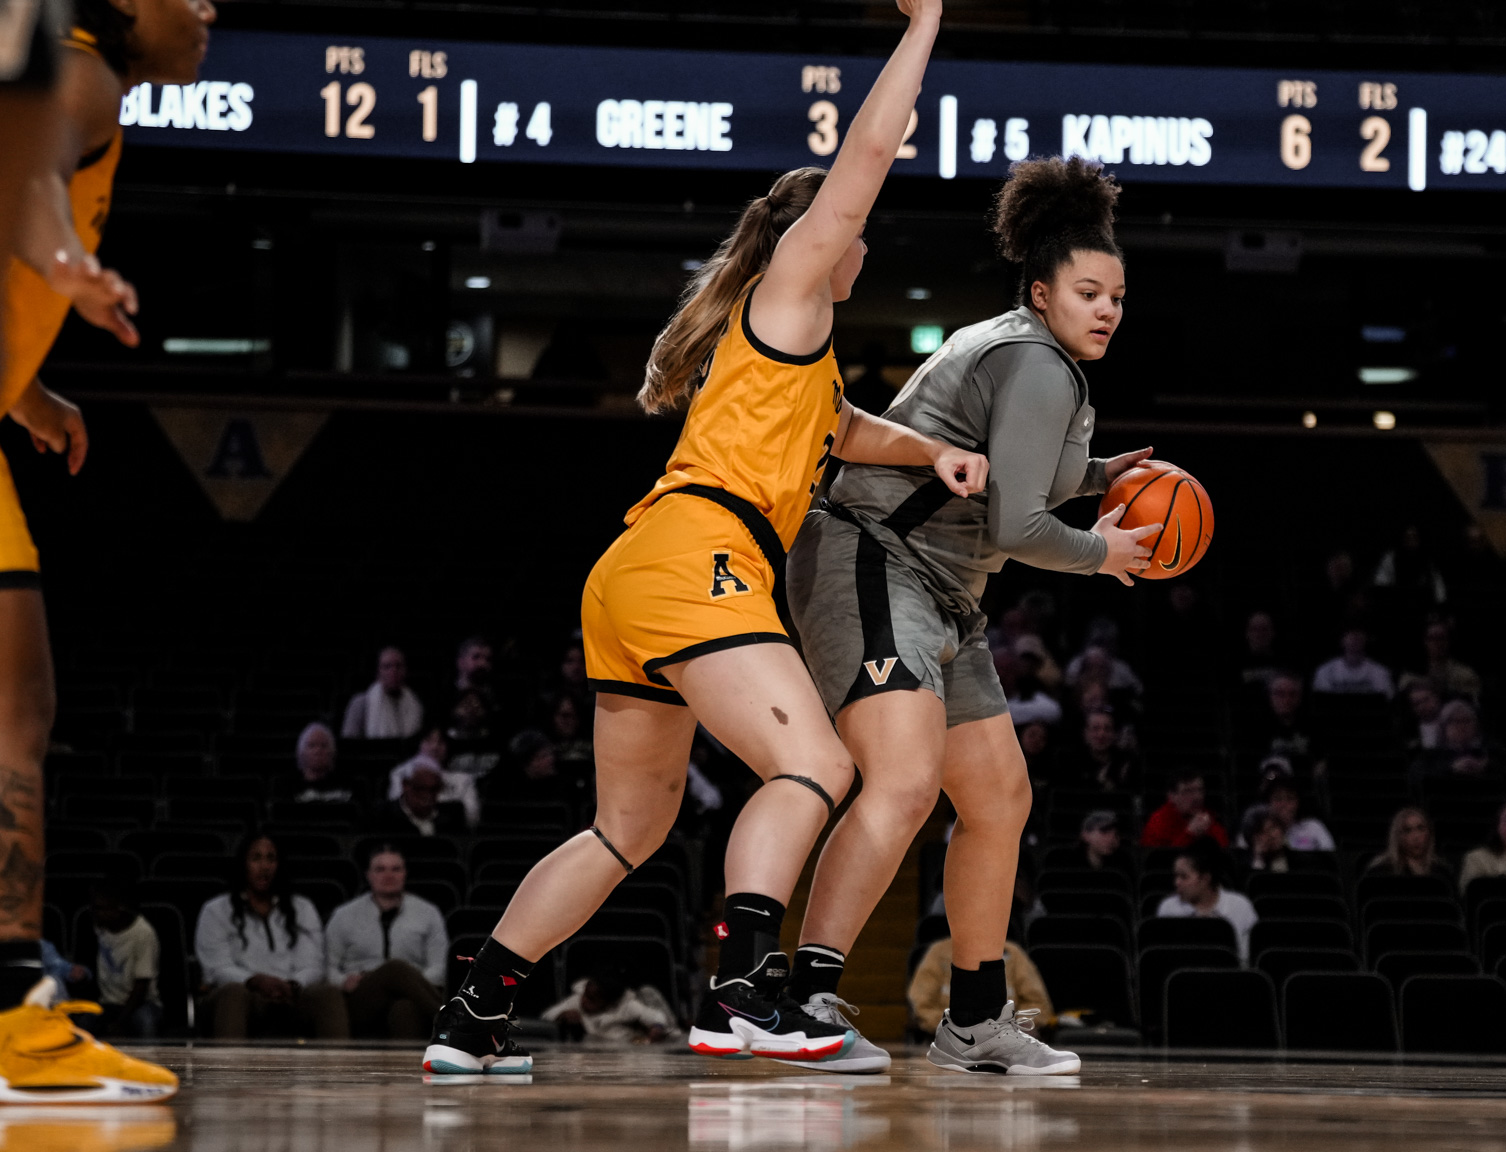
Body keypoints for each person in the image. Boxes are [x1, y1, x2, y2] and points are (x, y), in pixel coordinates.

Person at [424, 0, 984, 1078]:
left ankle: (474, 1014)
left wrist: (932, 456)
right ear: (821, 238)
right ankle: (742, 994)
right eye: (851, 230)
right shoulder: (792, 290)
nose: (860, 243)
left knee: (624, 830)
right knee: (812, 765)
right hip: (697, 559)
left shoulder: (789, 351)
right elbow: (867, 151)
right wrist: (923, 27)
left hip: (637, 571)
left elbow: (843, 428)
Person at [777, 154, 1158, 1079]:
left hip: (944, 588)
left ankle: (975, 1019)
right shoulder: (1034, 361)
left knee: (997, 799)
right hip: (871, 559)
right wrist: (1104, 551)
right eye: (1089, 291)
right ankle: (802, 1002)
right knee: (904, 783)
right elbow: (1021, 524)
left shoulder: (1039, 357)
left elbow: (1029, 481)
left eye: (1117, 294)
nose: (1107, 308)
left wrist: (1105, 478)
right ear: (1042, 290)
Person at [0, 0, 213, 1100]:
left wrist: (24, 388)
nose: (209, 9)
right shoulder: (79, 77)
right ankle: (13, 1028)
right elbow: (20, 178)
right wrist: (67, 259)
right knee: (14, 714)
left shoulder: (85, 85)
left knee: (16, 705)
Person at [195, 833, 347, 1041]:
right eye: (256, 858)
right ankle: (230, 1073)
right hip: (242, 993)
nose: (264, 866)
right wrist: (255, 981)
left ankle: (338, 1072)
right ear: (243, 864)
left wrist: (292, 985)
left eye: (271, 858)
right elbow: (216, 968)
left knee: (328, 994)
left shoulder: (302, 907)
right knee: (234, 993)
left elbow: (313, 964)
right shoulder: (216, 910)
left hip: (291, 994)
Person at [324, 846, 448, 1040]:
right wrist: (343, 981)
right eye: (380, 869)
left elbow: (440, 967)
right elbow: (326, 966)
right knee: (395, 969)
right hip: (361, 996)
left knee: (404, 1009)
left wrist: (410, 982)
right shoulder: (344, 915)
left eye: (395, 869)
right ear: (368, 875)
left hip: (412, 995)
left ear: (405, 873)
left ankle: (407, 1069)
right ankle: (458, 1024)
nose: (388, 875)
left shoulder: (427, 913)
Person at [907, 936, 1055, 1039]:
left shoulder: (1013, 954)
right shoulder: (939, 952)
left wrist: (1018, 1025)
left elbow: (1038, 1003)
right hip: (950, 1040)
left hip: (1006, 1037)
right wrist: (958, 1028)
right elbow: (922, 1006)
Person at [1154, 844, 1258, 964]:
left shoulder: (1240, 906)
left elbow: (1246, 959)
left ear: (1205, 879)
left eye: (1184, 877)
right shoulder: (1169, 907)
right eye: (1176, 876)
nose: (1177, 882)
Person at [87, 877, 159, 1040]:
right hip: (107, 1002)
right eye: (94, 908)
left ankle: (150, 1063)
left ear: (118, 909)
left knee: (145, 1022)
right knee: (83, 1023)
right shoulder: (99, 928)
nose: (95, 913)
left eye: (101, 909)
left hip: (140, 1003)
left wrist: (120, 1022)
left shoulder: (142, 933)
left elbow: (142, 985)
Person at [542, 968, 674, 1045]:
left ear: (610, 1003)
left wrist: (657, 1027)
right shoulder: (577, 1001)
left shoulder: (628, 1006)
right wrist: (561, 1015)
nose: (583, 1000)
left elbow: (656, 1017)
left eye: (592, 999)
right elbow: (547, 1016)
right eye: (585, 995)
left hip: (626, 1049)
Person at [383, 728, 480, 829]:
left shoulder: (464, 779)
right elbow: (396, 812)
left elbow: (471, 820)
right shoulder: (400, 773)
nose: (435, 747)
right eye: (429, 740)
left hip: (446, 831)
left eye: (441, 742)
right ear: (419, 744)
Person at [341, 646, 424, 740]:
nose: (393, 671)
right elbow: (349, 742)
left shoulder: (416, 704)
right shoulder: (361, 703)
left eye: (398, 666)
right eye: (387, 667)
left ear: (405, 671)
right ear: (378, 672)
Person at [484, 729, 583, 807]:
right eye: (543, 756)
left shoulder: (565, 790)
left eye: (550, 755)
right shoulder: (509, 792)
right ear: (527, 763)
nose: (551, 760)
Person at [370, 761, 470, 838]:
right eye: (420, 788)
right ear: (405, 785)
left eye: (433, 789)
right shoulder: (383, 815)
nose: (427, 795)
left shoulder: (452, 816)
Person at [1236, 777, 1334, 852]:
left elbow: (1331, 854)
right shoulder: (1253, 826)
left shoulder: (1313, 826)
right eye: (1278, 799)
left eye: (1290, 798)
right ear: (1268, 802)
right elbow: (1241, 855)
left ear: (1298, 802)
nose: (1284, 804)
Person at [1139, 770, 1228, 850]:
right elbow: (1160, 862)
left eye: (1200, 790)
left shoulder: (1209, 818)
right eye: (1188, 791)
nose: (1197, 797)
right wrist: (1189, 834)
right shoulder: (1158, 822)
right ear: (1171, 796)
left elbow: (1222, 853)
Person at [1362, 807, 1453, 884]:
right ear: (1397, 836)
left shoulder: (1441, 872)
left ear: (1429, 833)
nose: (1416, 837)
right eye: (1407, 830)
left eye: (1421, 828)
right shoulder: (1381, 872)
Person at [1311, 628, 1392, 697]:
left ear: (1366, 639)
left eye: (1359, 634)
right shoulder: (1325, 671)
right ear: (1342, 639)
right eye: (1350, 634)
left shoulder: (1380, 672)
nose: (1354, 638)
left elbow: (1385, 701)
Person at [287, 721, 353, 805]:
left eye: (324, 746)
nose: (318, 750)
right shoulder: (288, 788)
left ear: (332, 752)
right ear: (301, 752)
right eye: (311, 745)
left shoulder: (348, 786)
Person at [1077, 811, 1131, 876]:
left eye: (1116, 833)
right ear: (1085, 835)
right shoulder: (1071, 866)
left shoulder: (1123, 863)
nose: (1112, 838)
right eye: (1104, 831)